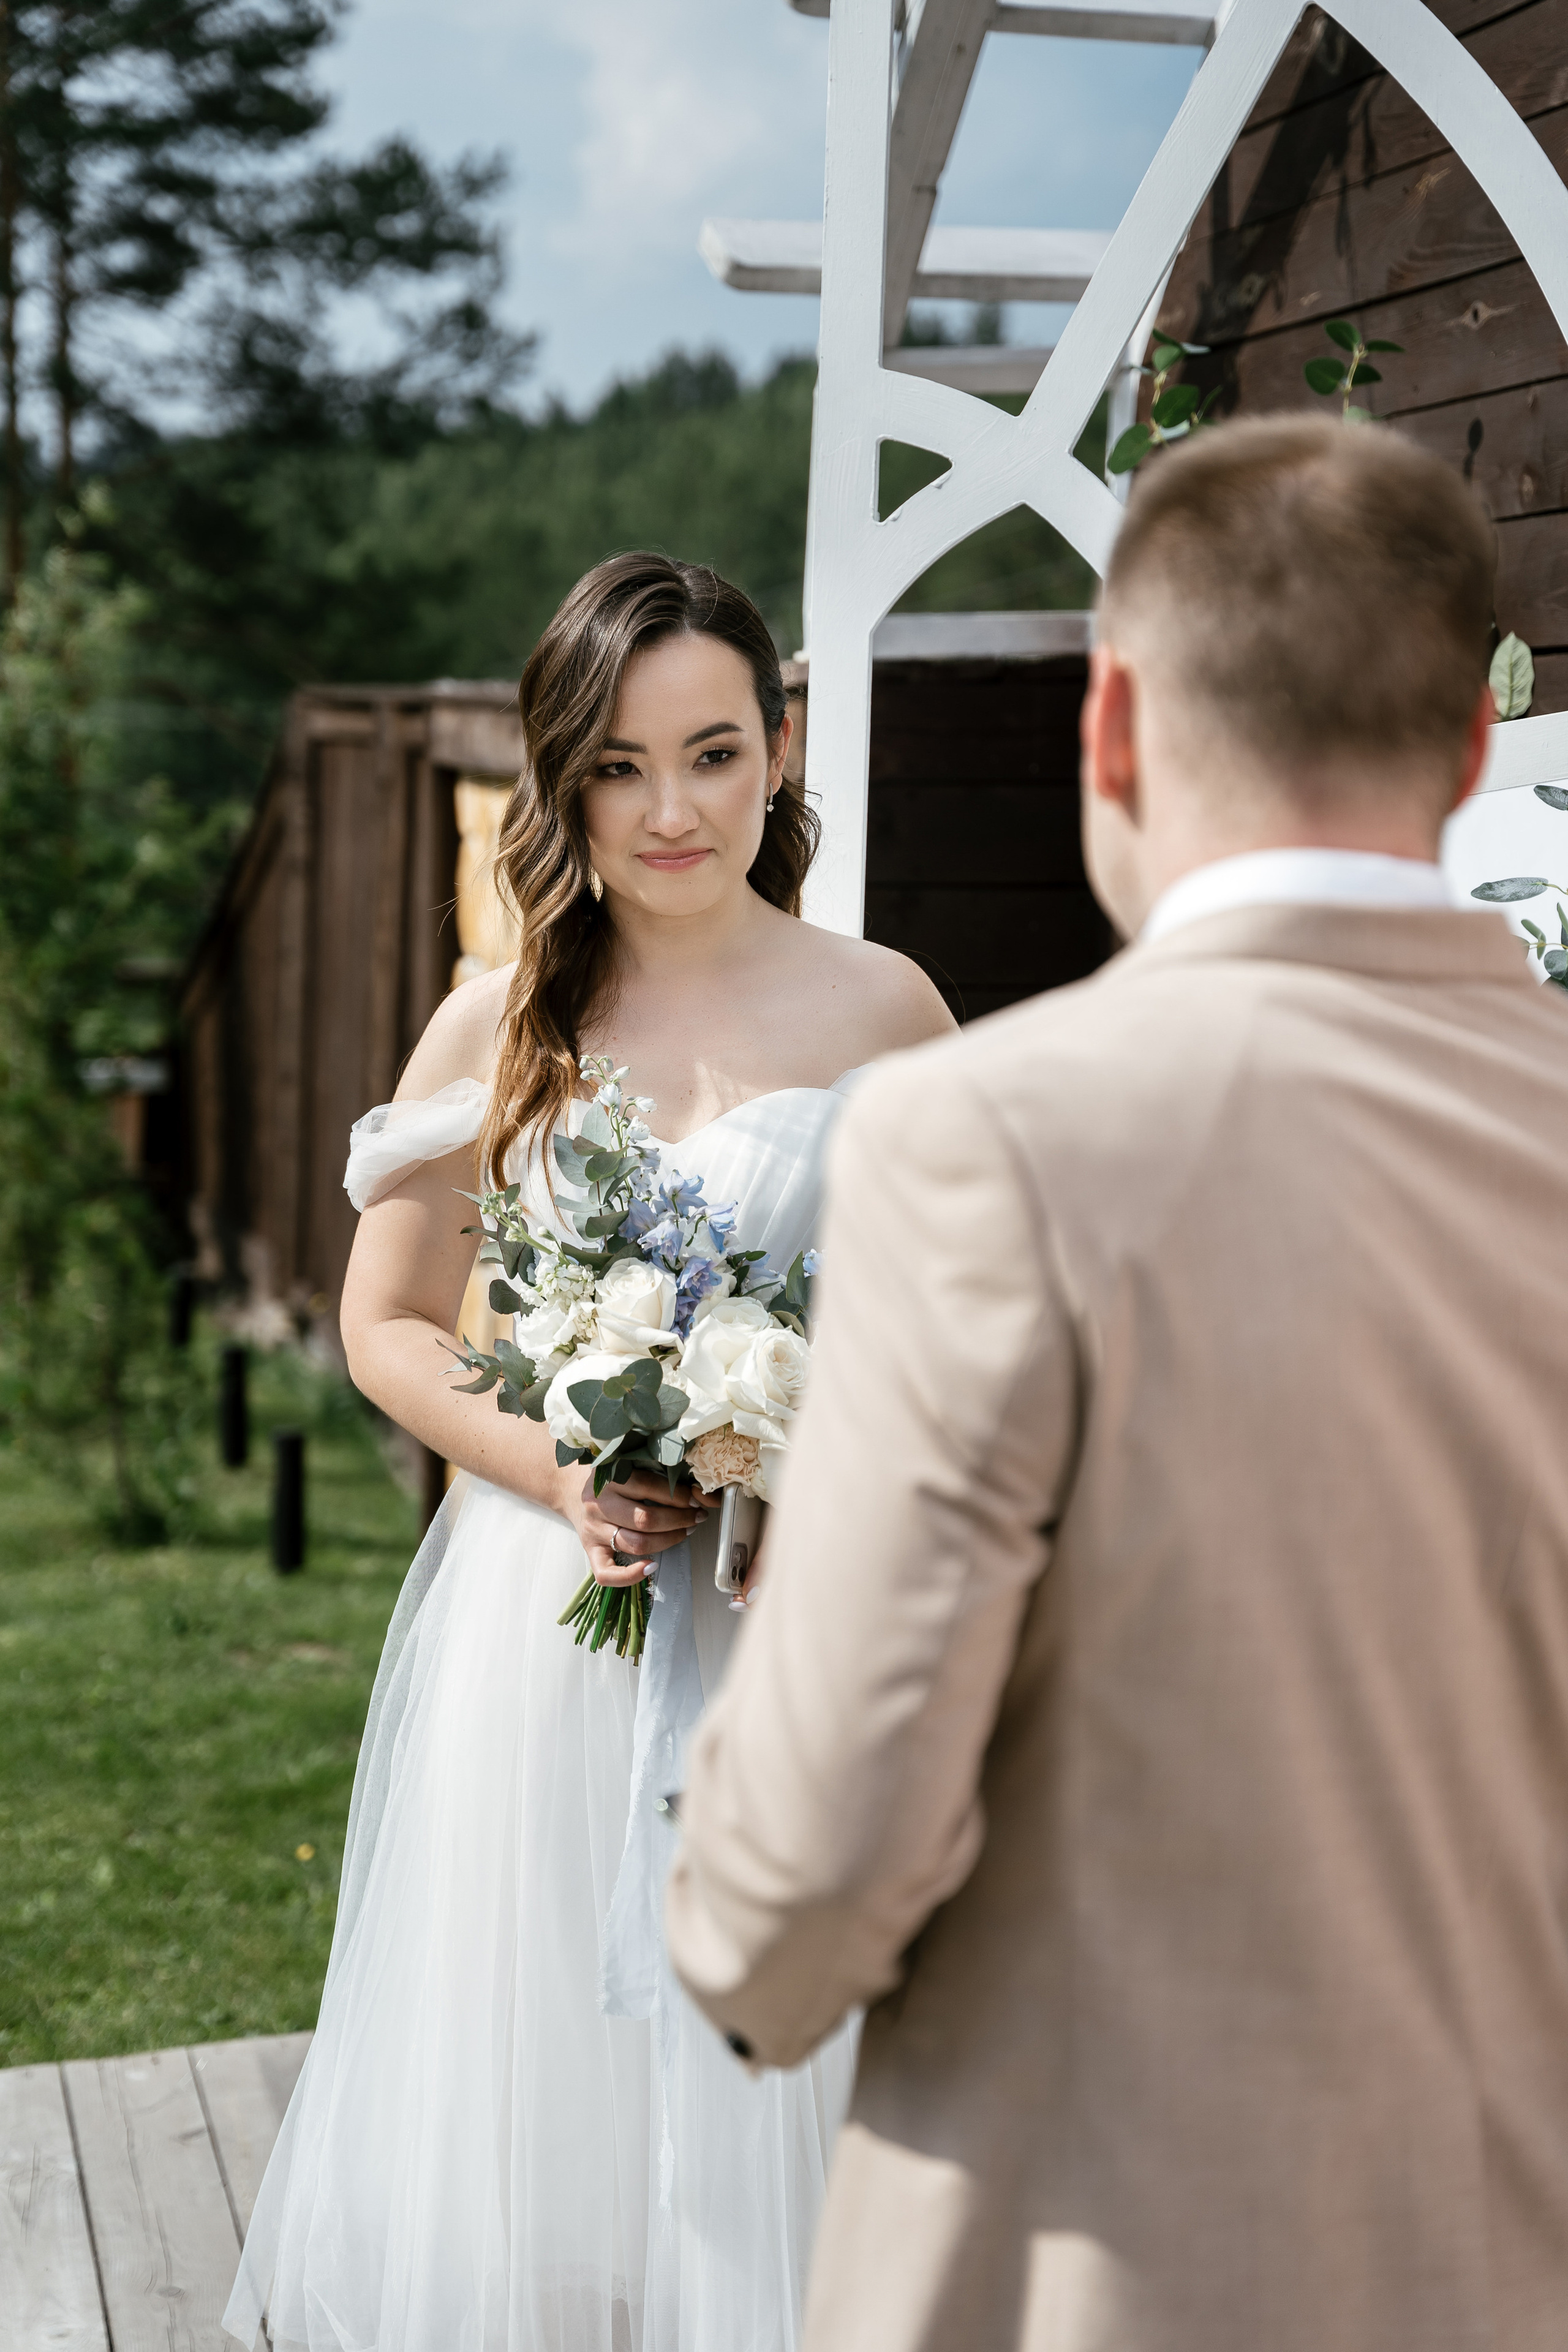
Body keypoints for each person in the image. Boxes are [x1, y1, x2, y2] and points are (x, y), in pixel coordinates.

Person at [666, 415, 1568, 2352]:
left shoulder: (991, 1143)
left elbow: (810, 1862)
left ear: (1115, 731)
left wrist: (733, 1925)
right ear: (1468, 750)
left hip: (1104, 2267)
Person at [222, 552, 954, 2352]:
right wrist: (556, 1462)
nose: (670, 810)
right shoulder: (501, 1020)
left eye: (712, 754)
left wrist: (820, 1460)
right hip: (542, 1635)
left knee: (778, 2124)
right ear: (561, 778)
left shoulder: (886, 1009)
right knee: (542, 2128)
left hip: (795, 1635)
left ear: (780, 749)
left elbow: (971, 1334)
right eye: (619, 766)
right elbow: (387, 1322)